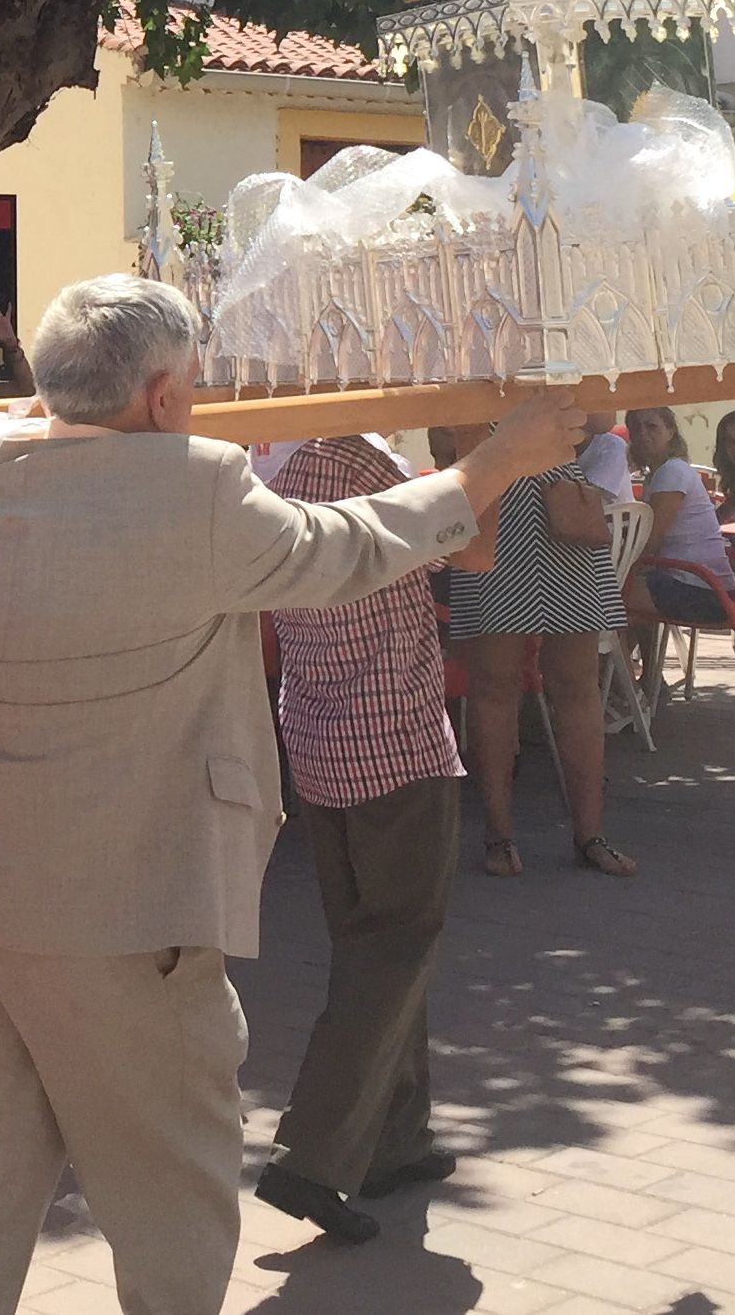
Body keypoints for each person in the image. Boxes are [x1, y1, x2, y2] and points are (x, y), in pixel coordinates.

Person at [0, 277, 575, 1315]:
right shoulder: (192, 485)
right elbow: (349, 548)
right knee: (173, 1187)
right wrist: (495, 463)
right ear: (165, 392)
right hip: (112, 905)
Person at [252, 431, 471, 1248]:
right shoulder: (352, 455)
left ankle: (396, 1138)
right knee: (394, 951)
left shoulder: (261, 464)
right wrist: (478, 450)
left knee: (373, 947)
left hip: (318, 736)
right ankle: (313, 1154)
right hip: (395, 737)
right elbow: (468, 547)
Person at [448, 416, 636, 878]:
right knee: (494, 683)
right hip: (492, 503)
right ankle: (499, 835)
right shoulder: (461, 354)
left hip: (561, 506)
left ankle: (590, 834)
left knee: (576, 683)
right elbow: (446, 437)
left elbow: (598, 419)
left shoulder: (558, 350)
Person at [620, 405, 735, 631]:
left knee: (599, 597)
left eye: (651, 426)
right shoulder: (663, 472)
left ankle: (612, 665)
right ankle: (640, 666)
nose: (642, 434)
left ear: (671, 431)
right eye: (635, 428)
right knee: (628, 595)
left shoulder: (671, 472)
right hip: (702, 584)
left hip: (702, 590)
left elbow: (651, 541)